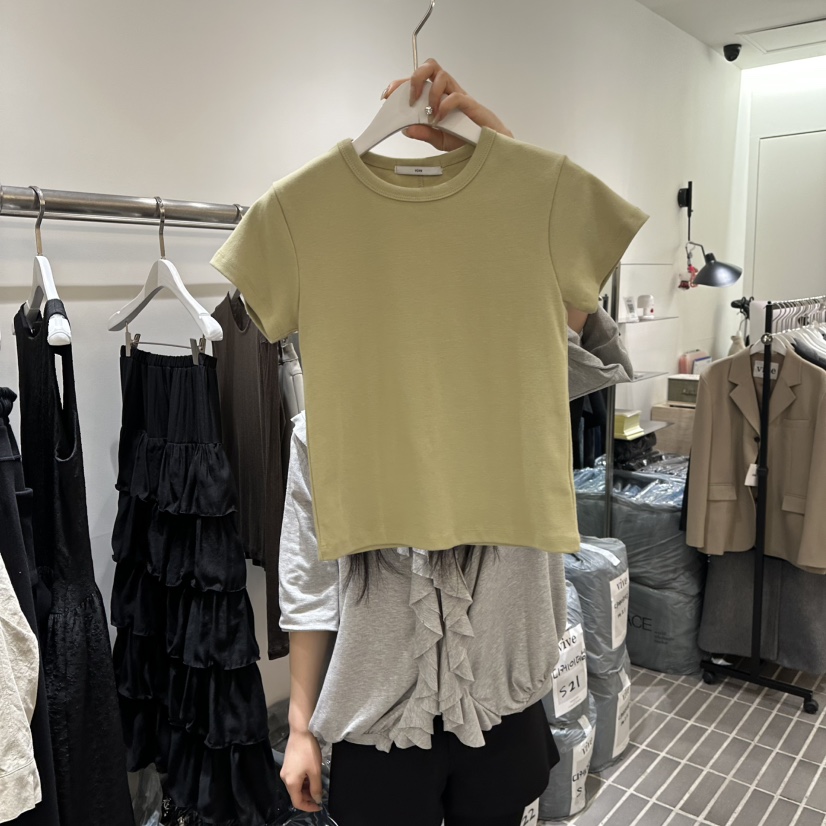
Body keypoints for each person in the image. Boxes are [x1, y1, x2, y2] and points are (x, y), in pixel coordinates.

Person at [278, 60, 574, 826]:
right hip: (375, 724)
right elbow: (309, 583)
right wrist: (300, 728)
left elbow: (573, 298)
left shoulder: (529, 386)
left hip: (504, 709)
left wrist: (499, 155)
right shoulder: (324, 426)